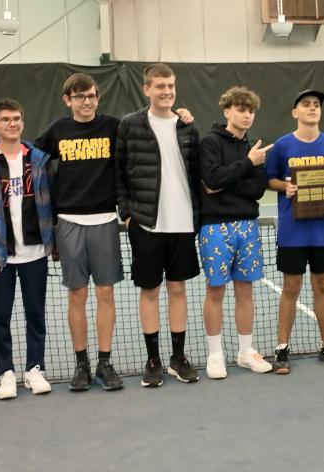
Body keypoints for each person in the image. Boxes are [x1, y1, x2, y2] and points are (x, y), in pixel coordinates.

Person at [34, 73, 125, 392]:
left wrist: (182, 117)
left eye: (91, 96)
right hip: (69, 222)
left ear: (98, 98)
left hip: (105, 221)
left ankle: (104, 362)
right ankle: (81, 364)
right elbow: (31, 159)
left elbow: (146, 132)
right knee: (77, 294)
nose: (86, 102)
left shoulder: (113, 127)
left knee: (105, 293)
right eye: (79, 96)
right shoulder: (57, 130)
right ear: (67, 100)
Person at [117, 63, 202, 388]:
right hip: (146, 225)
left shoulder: (187, 127)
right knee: (149, 291)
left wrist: (196, 215)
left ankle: (177, 359)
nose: (166, 91)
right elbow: (119, 171)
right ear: (147, 90)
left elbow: (195, 174)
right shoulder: (130, 125)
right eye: (160, 86)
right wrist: (126, 212)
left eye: (170, 86)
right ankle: (152, 360)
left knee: (178, 289)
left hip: (182, 224)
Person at [0, 99, 54, 399]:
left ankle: (35, 369)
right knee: (0, 316)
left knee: (36, 315)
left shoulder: (38, 160)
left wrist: (53, 243)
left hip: (35, 253)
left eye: (16, 118)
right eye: (5, 119)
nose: (12, 124)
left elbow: (50, 205)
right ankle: (5, 372)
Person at [266, 89, 324, 373]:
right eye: (306, 105)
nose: (312, 109)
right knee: (291, 288)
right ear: (295, 112)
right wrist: (285, 186)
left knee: (322, 286)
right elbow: (270, 179)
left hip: (323, 231)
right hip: (292, 231)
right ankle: (281, 349)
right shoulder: (282, 146)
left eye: (316, 105)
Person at [198, 86, 274, 378]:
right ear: (227, 110)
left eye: (250, 110)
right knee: (215, 290)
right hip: (214, 227)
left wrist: (227, 179)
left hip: (248, 226)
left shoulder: (254, 146)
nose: (246, 115)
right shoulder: (210, 142)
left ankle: (245, 352)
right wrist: (247, 166)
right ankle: (215, 355)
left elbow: (256, 189)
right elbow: (211, 178)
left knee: (246, 290)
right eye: (240, 109)